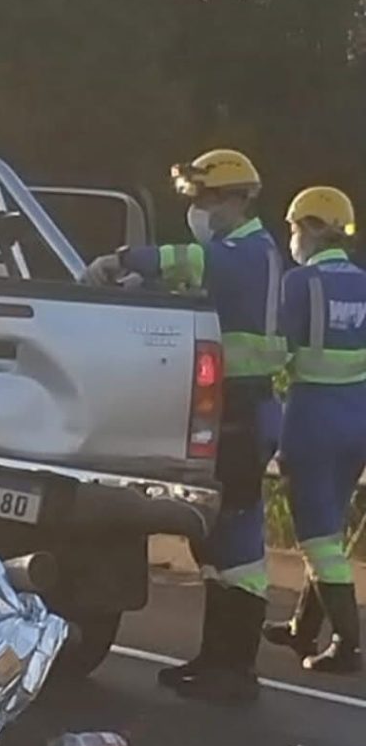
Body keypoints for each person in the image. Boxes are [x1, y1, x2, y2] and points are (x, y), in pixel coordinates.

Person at [86, 149, 288, 703]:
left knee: (239, 543)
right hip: (232, 409)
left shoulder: (248, 251)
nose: (199, 209)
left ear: (240, 199)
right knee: (218, 541)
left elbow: (191, 265)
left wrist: (125, 259)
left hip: (245, 411)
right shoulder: (233, 251)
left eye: (208, 198)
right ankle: (214, 659)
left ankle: (235, 668)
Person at [262, 186, 363, 674]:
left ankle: (347, 641)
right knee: (330, 526)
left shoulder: (300, 284)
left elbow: (277, 350)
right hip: (357, 421)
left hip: (312, 420)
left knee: (316, 536)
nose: (292, 238)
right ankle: (304, 628)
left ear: (314, 228)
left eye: (295, 227)